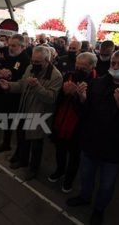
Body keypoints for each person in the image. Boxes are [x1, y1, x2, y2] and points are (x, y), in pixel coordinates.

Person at [66, 49, 119, 225]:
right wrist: (80, 99)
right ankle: (84, 197)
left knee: (106, 185)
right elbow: (83, 113)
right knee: (86, 177)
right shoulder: (97, 83)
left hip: (116, 149)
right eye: (113, 63)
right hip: (91, 143)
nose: (115, 66)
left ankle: (99, 209)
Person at [0, 46, 62, 180]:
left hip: (39, 115)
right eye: (33, 61)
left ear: (47, 60)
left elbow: (51, 98)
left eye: (38, 62)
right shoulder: (30, 68)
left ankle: (34, 169)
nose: (34, 64)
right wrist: (9, 85)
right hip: (24, 110)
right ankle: (23, 160)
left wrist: (37, 86)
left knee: (36, 145)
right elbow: (22, 84)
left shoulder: (56, 76)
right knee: (23, 138)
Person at [50, 52, 97, 193]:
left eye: (83, 68)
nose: (79, 70)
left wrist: (78, 97)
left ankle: (69, 179)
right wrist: (64, 93)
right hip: (61, 121)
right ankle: (59, 170)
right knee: (60, 150)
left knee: (74, 156)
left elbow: (90, 111)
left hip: (79, 128)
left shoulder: (96, 83)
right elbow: (57, 101)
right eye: (77, 66)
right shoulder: (69, 76)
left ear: (92, 67)